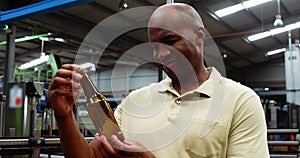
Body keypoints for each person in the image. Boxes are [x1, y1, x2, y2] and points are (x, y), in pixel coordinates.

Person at [48, 3, 270, 158]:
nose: (160, 55)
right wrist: (64, 115)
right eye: (155, 47)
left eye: (170, 41)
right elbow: (90, 156)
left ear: (199, 36)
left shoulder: (240, 101)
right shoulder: (135, 102)